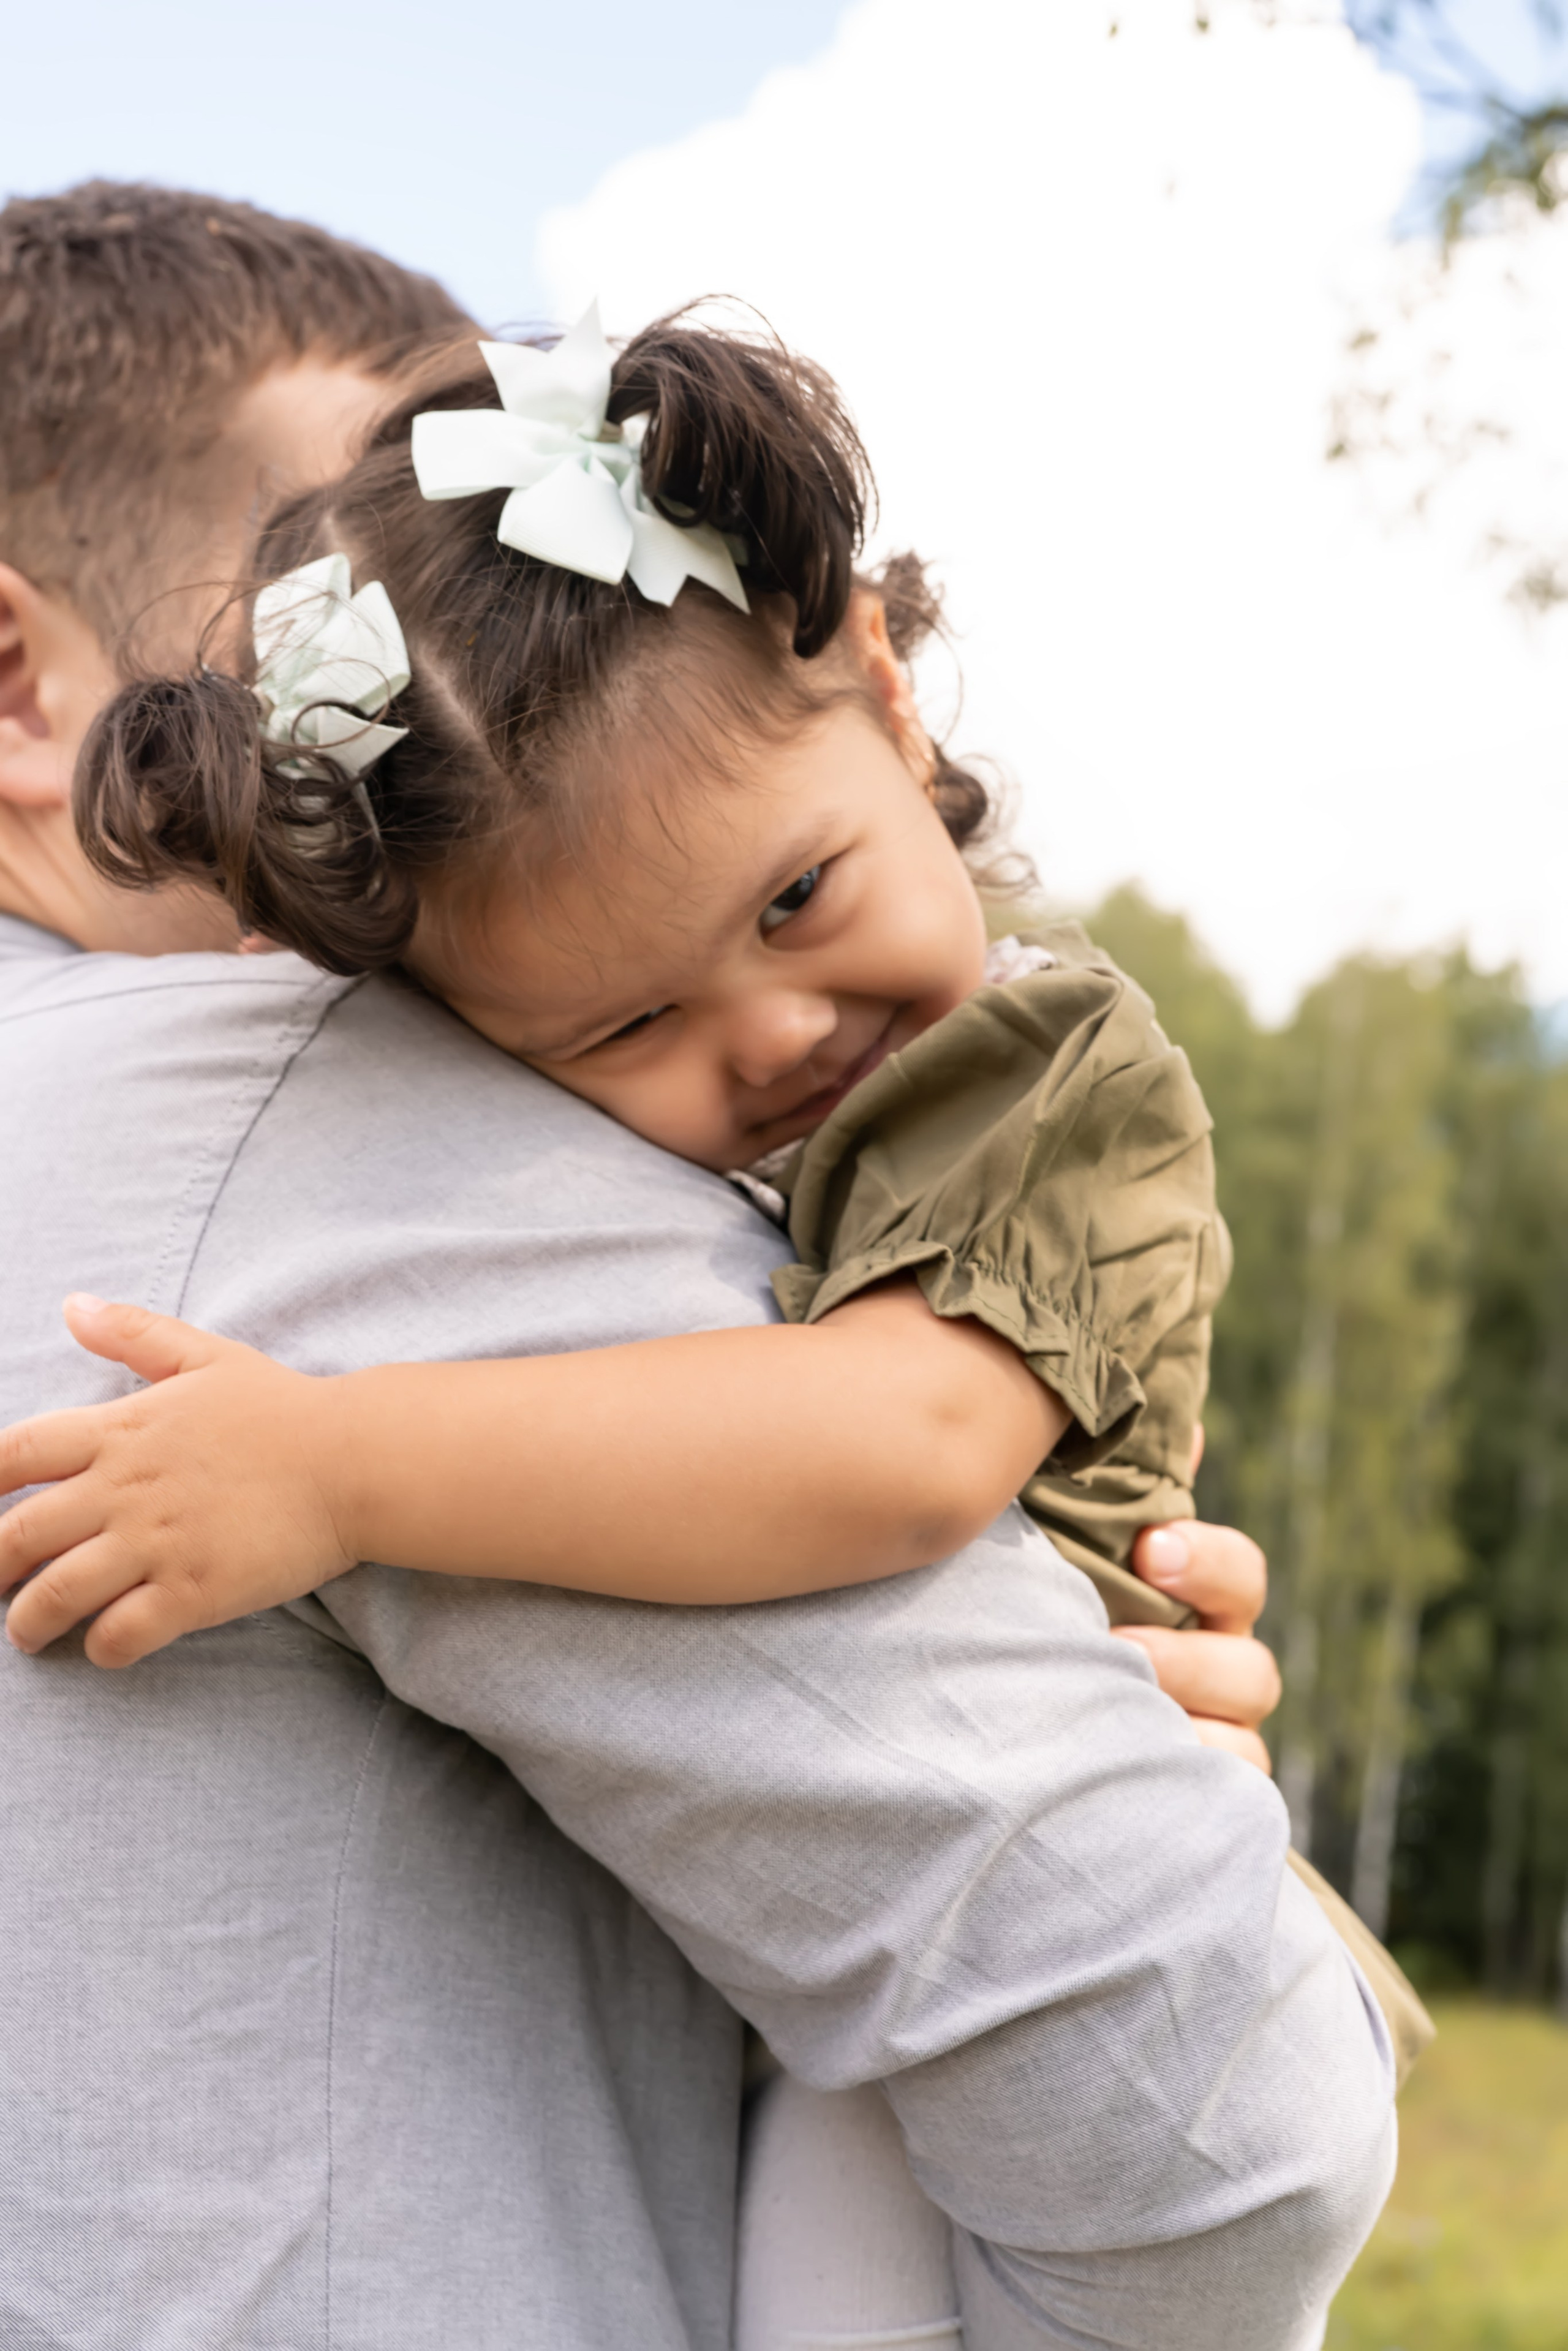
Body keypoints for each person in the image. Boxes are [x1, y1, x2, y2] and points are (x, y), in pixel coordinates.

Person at [0, 185, 1391, 2348]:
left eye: (793, 902)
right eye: (614, 1029)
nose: (764, 1042)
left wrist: (341, 1473)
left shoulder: (1030, 1058)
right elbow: (1192, 2123)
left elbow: (903, 1442)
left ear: (877, 683)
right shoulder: (336, 1110)